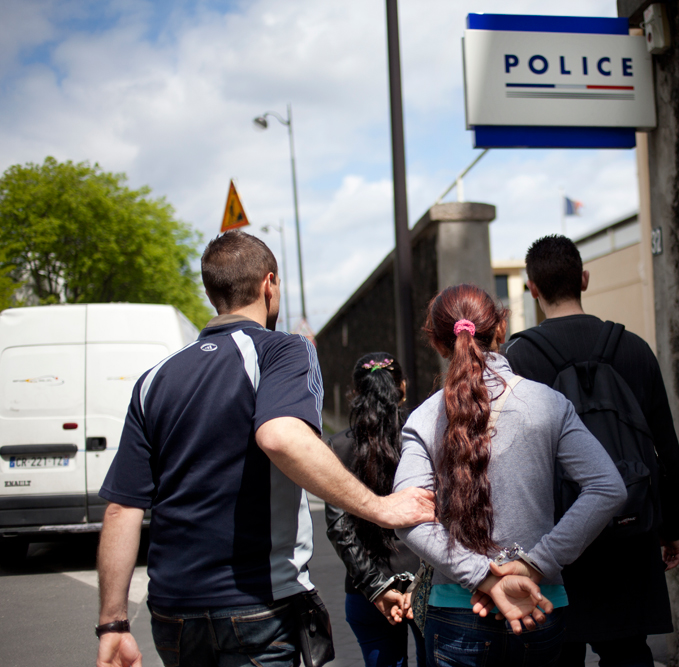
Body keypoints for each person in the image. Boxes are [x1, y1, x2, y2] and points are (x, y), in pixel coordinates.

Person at [95, 230, 435, 667]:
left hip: (172, 611)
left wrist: (114, 624)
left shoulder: (154, 378)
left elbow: (122, 510)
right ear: (268, 284)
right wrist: (382, 509)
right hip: (256, 604)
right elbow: (280, 437)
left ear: (210, 291)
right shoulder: (283, 351)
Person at [393, 283, 627, 667]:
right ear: (499, 330)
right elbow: (607, 488)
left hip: (455, 613)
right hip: (538, 604)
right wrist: (536, 563)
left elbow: (408, 516)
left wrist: (483, 576)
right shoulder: (547, 403)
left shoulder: (422, 418)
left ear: (437, 342)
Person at [503, 234, 679, 667]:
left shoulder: (518, 359)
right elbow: (667, 447)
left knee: (557, 653)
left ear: (533, 287)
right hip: (631, 527)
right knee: (628, 652)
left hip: (555, 540)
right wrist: (670, 525)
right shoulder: (635, 349)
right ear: (584, 278)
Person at [325, 352, 425, 667]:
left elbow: (338, 527)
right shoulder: (422, 435)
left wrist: (377, 587)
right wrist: (420, 581)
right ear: (403, 388)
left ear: (354, 393)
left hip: (367, 592)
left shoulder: (338, 447)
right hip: (430, 586)